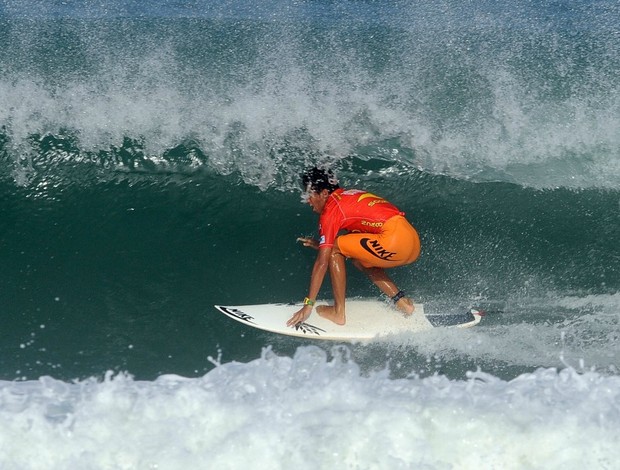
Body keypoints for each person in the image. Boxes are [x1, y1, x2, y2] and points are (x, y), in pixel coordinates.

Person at [287, 167, 421, 327]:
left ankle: (338, 312)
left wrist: (308, 305)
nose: (308, 200)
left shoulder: (331, 211)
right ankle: (402, 302)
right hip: (411, 241)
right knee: (357, 258)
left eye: (310, 194)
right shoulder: (349, 195)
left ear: (324, 193)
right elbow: (357, 240)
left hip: (395, 243)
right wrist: (322, 245)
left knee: (335, 249)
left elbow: (322, 263)